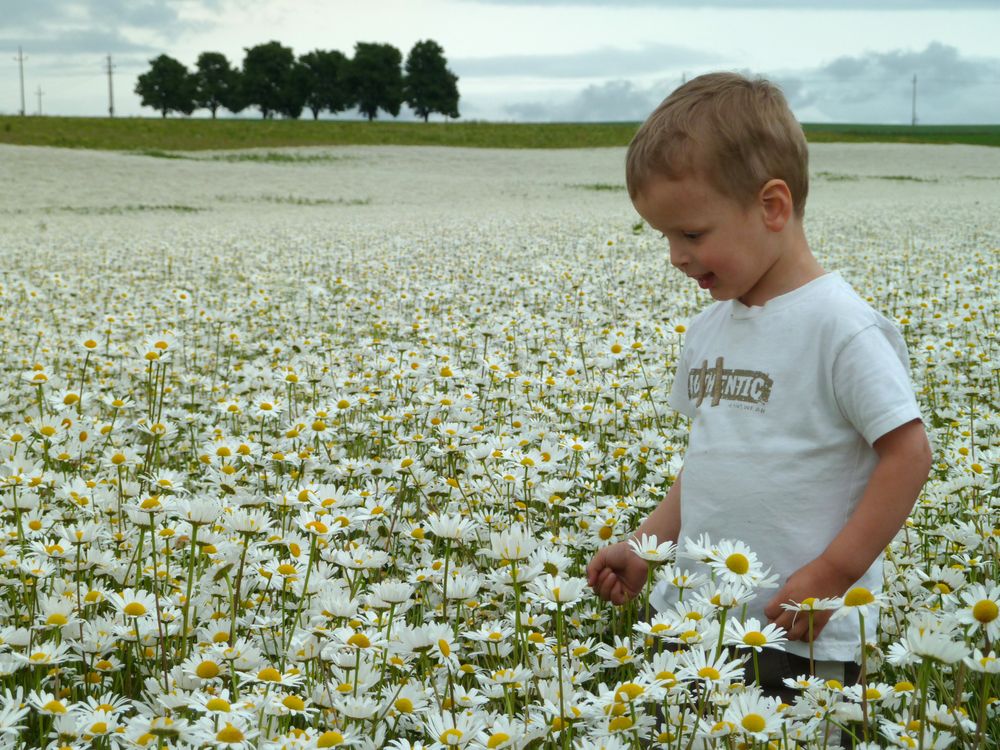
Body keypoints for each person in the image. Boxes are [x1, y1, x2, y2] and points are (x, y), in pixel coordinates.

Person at [585, 72, 932, 700]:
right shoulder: (710, 328)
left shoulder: (841, 327)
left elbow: (909, 454)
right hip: (694, 616)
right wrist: (646, 546)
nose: (676, 256)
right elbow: (710, 463)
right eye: (664, 236)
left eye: (691, 234)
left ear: (771, 207)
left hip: (800, 625)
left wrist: (835, 573)